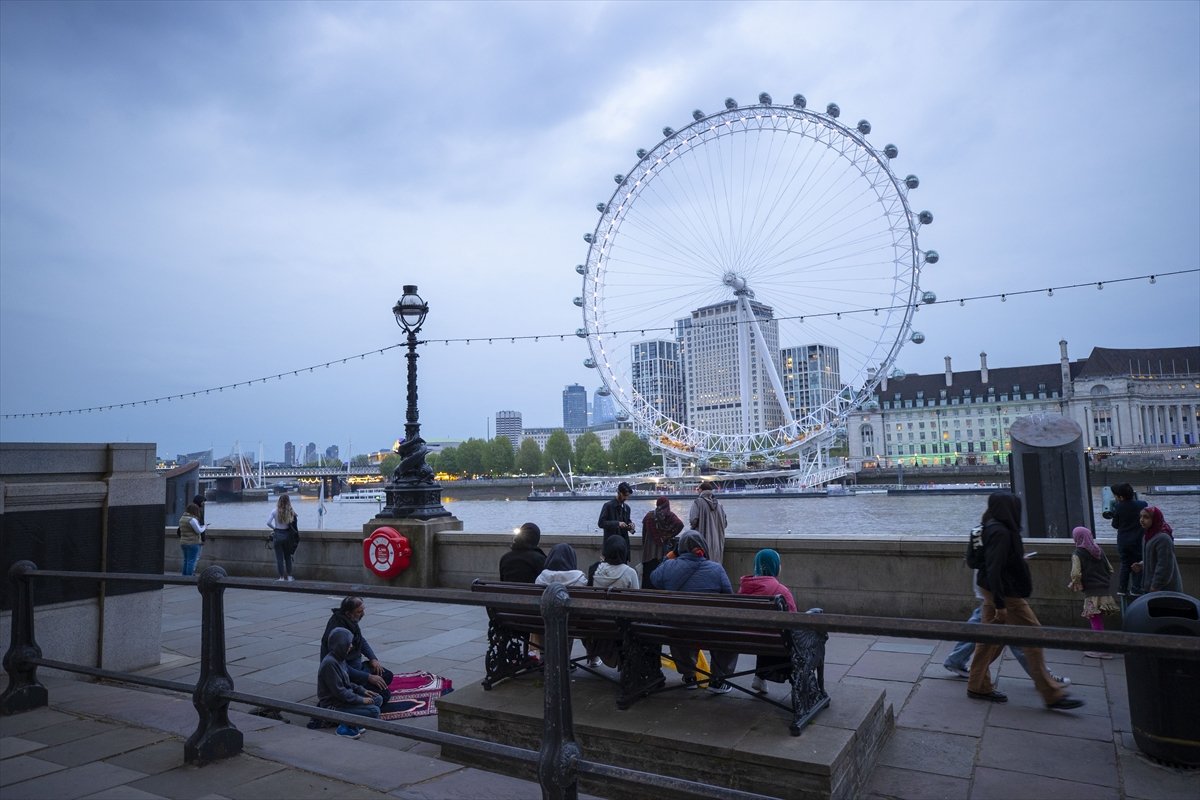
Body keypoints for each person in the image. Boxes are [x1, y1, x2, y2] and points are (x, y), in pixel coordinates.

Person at [966, 492, 1083, 710]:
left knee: (989, 640)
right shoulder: (1001, 532)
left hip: (994, 591)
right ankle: (1051, 693)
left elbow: (987, 565)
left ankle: (978, 683)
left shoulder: (989, 527)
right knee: (1033, 636)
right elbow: (995, 569)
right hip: (1006, 595)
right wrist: (1001, 605)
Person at [943, 571, 1071, 687]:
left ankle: (959, 663)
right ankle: (1044, 679)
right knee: (1019, 637)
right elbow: (995, 560)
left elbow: (976, 557)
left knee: (983, 627)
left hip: (990, 586)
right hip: (999, 589)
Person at [651, 531, 738, 694]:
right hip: (709, 631)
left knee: (678, 625)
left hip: (678, 631)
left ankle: (689, 676)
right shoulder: (716, 570)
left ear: (680, 549)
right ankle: (718, 680)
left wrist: (668, 558)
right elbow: (730, 601)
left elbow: (654, 578)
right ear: (703, 548)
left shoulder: (669, 567)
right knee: (729, 631)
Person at [738, 549, 796, 694]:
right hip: (774, 642)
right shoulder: (781, 590)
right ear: (774, 566)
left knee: (764, 632)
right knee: (782, 636)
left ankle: (760, 677)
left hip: (743, 639)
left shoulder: (744, 587)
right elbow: (794, 620)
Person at [317, 627, 384, 740]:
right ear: (341, 645)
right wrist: (361, 700)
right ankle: (345, 727)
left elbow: (348, 683)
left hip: (344, 700)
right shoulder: (330, 664)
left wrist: (362, 691)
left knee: (378, 698)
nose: (351, 646)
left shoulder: (340, 658)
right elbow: (340, 692)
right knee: (374, 711)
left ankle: (356, 721)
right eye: (348, 644)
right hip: (333, 705)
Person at [584, 536, 640, 667]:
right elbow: (636, 600)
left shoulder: (594, 569)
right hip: (621, 624)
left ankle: (594, 656)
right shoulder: (630, 572)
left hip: (596, 623)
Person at [321, 597, 394, 692]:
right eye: (359, 612)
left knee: (387, 675)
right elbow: (340, 667)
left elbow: (360, 640)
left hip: (358, 668)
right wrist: (368, 677)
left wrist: (373, 658)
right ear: (348, 613)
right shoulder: (338, 633)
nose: (363, 614)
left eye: (363, 610)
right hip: (346, 675)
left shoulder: (350, 620)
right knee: (384, 695)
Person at [499, 522, 548, 665]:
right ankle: (542, 654)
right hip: (532, 616)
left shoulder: (505, 558)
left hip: (506, 615)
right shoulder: (539, 559)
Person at [1068, 526, 1117, 659]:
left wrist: (1074, 583)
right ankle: (1101, 647)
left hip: (1091, 592)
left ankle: (1101, 649)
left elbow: (1076, 574)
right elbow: (1110, 569)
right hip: (1104, 590)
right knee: (1099, 619)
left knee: (1095, 620)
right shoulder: (1099, 550)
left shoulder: (1077, 553)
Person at [1105, 483, 1147, 598]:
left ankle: (1122, 588)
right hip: (1138, 541)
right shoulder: (1142, 504)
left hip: (1123, 542)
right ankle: (1136, 588)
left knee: (1125, 564)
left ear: (1120, 497)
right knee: (1138, 563)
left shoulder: (1119, 507)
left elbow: (1115, 525)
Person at [1132, 506, 1182, 593]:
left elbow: (1164, 566)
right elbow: (1154, 558)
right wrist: (1142, 564)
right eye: (1141, 516)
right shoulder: (1148, 536)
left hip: (1165, 590)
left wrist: (1155, 586)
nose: (1142, 520)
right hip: (1152, 588)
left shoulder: (1163, 538)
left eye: (1146, 517)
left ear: (1155, 519)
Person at [641, 496, 684, 588]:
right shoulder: (670, 516)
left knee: (648, 581)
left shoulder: (649, 516)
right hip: (663, 553)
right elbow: (680, 524)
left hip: (649, 553)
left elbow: (644, 536)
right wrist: (668, 535)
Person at [688, 481, 728, 566]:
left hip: (702, 544)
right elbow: (725, 524)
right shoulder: (719, 505)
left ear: (701, 490)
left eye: (698, 489)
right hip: (718, 544)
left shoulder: (698, 502)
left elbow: (693, 520)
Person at [266, 494, 297, 582]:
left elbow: (268, 522)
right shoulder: (291, 512)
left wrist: (274, 528)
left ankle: (281, 577)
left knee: (279, 558)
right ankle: (290, 576)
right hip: (287, 535)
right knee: (288, 557)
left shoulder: (274, 511)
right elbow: (294, 525)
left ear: (279, 501)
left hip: (278, 535)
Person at [597, 482, 635, 554]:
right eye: (625, 495)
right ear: (619, 492)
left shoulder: (627, 508)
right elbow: (601, 523)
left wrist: (630, 524)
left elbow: (627, 521)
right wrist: (617, 523)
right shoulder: (608, 506)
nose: (626, 498)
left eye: (628, 496)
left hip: (623, 545)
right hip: (611, 546)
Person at [177, 503, 207, 577]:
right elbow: (199, 530)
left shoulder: (182, 518)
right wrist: (204, 527)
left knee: (186, 560)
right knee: (191, 561)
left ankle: (184, 576)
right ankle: (189, 577)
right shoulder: (192, 519)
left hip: (183, 542)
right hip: (193, 543)